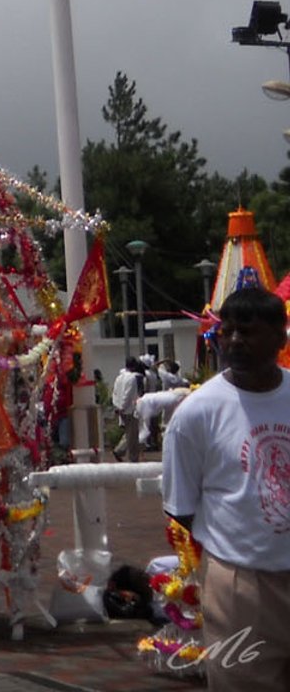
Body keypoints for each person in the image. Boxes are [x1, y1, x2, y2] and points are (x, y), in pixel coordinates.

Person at [162, 285, 290, 691]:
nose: (234, 341)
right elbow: (180, 507)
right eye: (227, 331)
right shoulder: (197, 414)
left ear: (281, 338)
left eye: (248, 331)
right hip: (240, 583)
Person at [113, 357, 148, 461]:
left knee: (129, 433)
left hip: (121, 409)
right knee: (133, 436)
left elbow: (114, 393)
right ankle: (133, 459)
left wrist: (117, 406)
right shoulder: (132, 378)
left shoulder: (119, 377)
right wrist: (122, 407)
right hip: (130, 409)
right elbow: (128, 394)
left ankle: (120, 450)